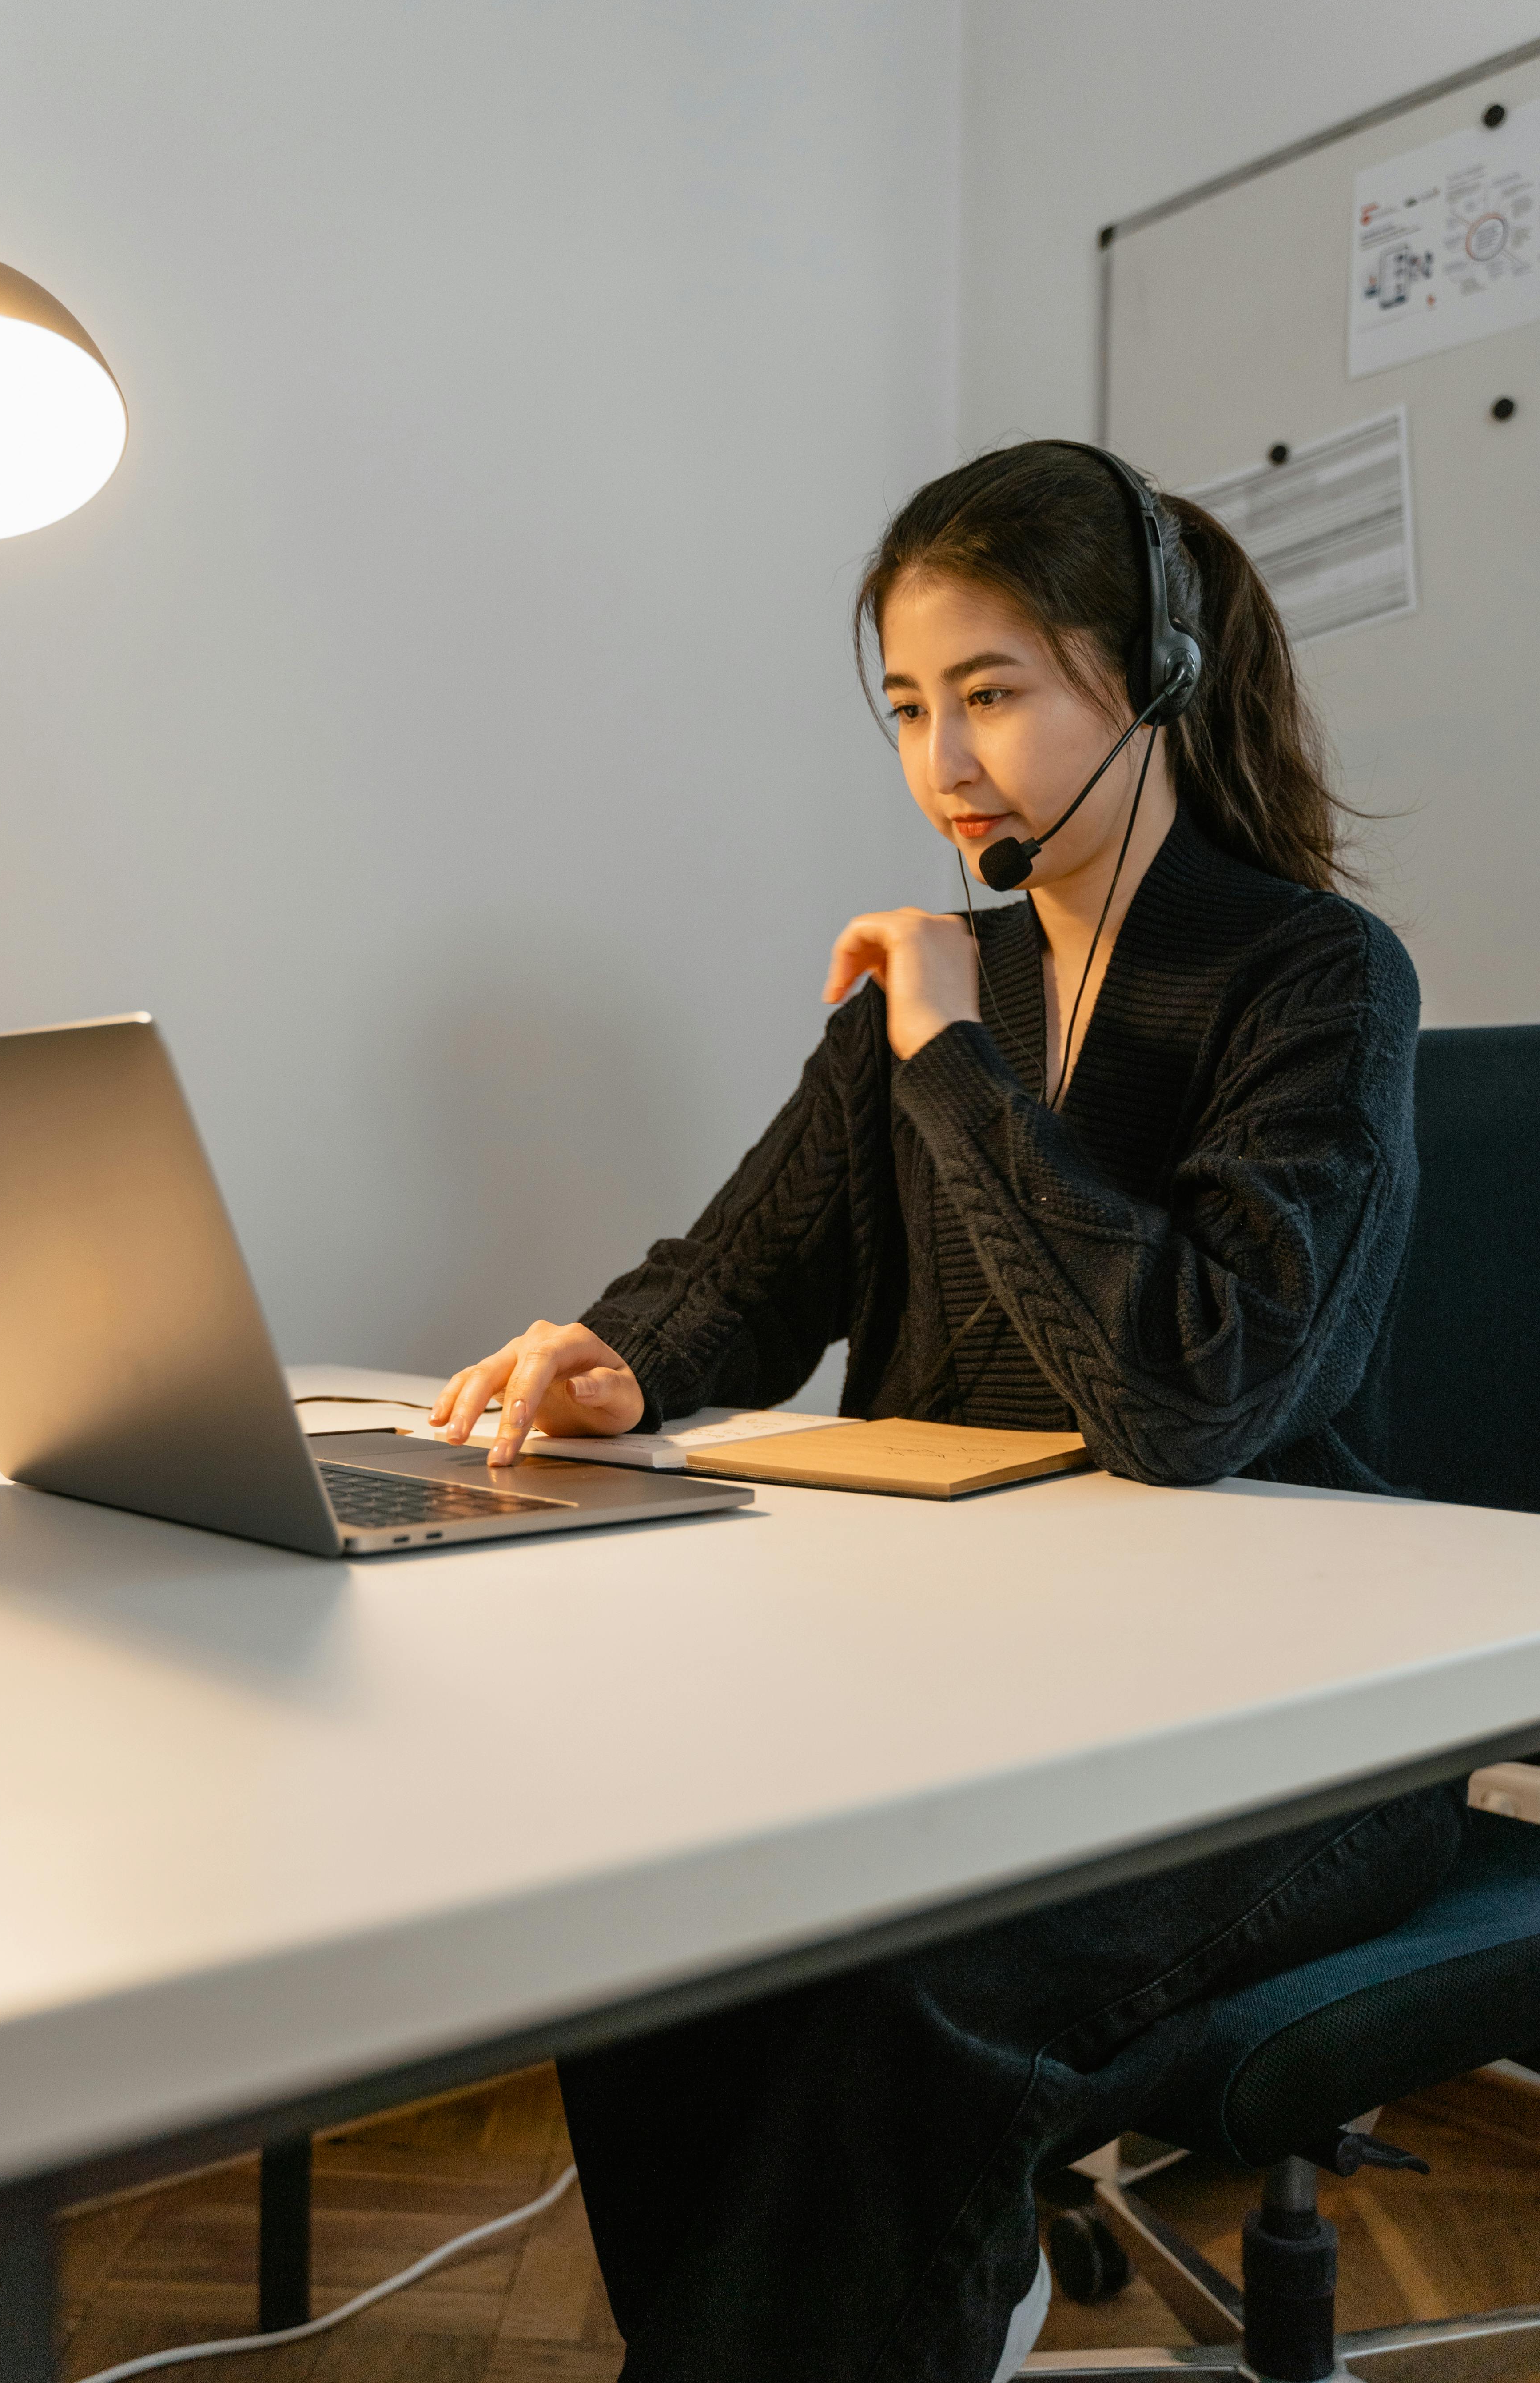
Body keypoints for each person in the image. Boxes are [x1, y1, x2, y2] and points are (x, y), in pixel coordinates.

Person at [427, 443, 1464, 2383]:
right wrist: (626, 1354)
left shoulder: (1314, 980)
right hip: (975, 1685)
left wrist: (958, 1058)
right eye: (906, 707)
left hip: (1288, 1734)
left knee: (886, 1998)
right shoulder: (934, 983)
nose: (939, 760)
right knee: (659, 1941)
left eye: (988, 692)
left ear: (1146, 672)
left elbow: (1184, 1391)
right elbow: (743, 1270)